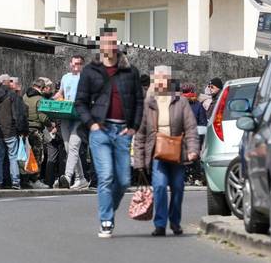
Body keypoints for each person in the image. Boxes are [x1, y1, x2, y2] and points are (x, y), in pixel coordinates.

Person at [75, 28, 144, 238]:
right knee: (106, 177)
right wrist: (92, 124)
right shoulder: (90, 71)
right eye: (105, 43)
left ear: (116, 45)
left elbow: (139, 101)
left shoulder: (130, 71)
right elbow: (80, 102)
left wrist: (134, 127)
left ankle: (108, 209)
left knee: (123, 180)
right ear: (100, 46)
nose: (108, 47)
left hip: (123, 131)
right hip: (101, 131)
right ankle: (106, 220)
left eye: (112, 42)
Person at [133, 66, 199, 236]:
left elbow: (191, 127)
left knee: (178, 187)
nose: (161, 81)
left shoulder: (181, 101)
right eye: (158, 78)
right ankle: (160, 224)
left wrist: (192, 150)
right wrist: (139, 162)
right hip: (157, 152)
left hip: (177, 150)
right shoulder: (148, 103)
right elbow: (140, 135)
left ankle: (175, 222)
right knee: (160, 186)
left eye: (164, 78)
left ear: (169, 81)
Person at [55, 55, 90, 190]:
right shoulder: (65, 77)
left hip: (80, 116)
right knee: (69, 149)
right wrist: (53, 99)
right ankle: (81, 178)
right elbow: (61, 93)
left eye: (80, 64)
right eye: (75, 64)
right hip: (66, 115)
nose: (77, 66)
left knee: (74, 146)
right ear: (70, 64)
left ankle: (67, 176)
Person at [0, 74, 27, 190]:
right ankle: (15, 181)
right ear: (5, 82)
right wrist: (21, 129)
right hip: (10, 131)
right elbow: (18, 115)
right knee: (13, 157)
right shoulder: (12, 95)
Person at [23, 78, 53, 189]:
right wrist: (50, 123)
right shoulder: (40, 99)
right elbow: (42, 116)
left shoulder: (25, 96)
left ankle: (25, 179)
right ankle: (34, 180)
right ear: (41, 88)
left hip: (26, 130)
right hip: (36, 130)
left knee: (27, 156)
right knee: (38, 156)